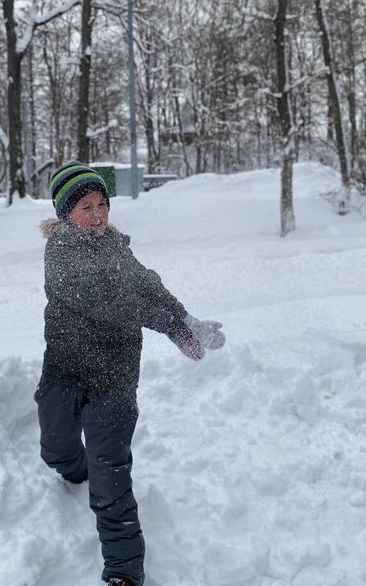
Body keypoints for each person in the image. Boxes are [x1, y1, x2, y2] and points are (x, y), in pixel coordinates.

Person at [35, 161, 225, 586]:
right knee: (57, 450)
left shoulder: (118, 249)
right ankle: (74, 471)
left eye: (103, 203)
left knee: (111, 475)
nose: (99, 213)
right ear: (66, 213)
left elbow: (148, 285)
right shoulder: (61, 252)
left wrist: (184, 319)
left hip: (114, 380)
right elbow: (109, 304)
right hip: (64, 373)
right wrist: (168, 325)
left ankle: (123, 572)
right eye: (87, 206)